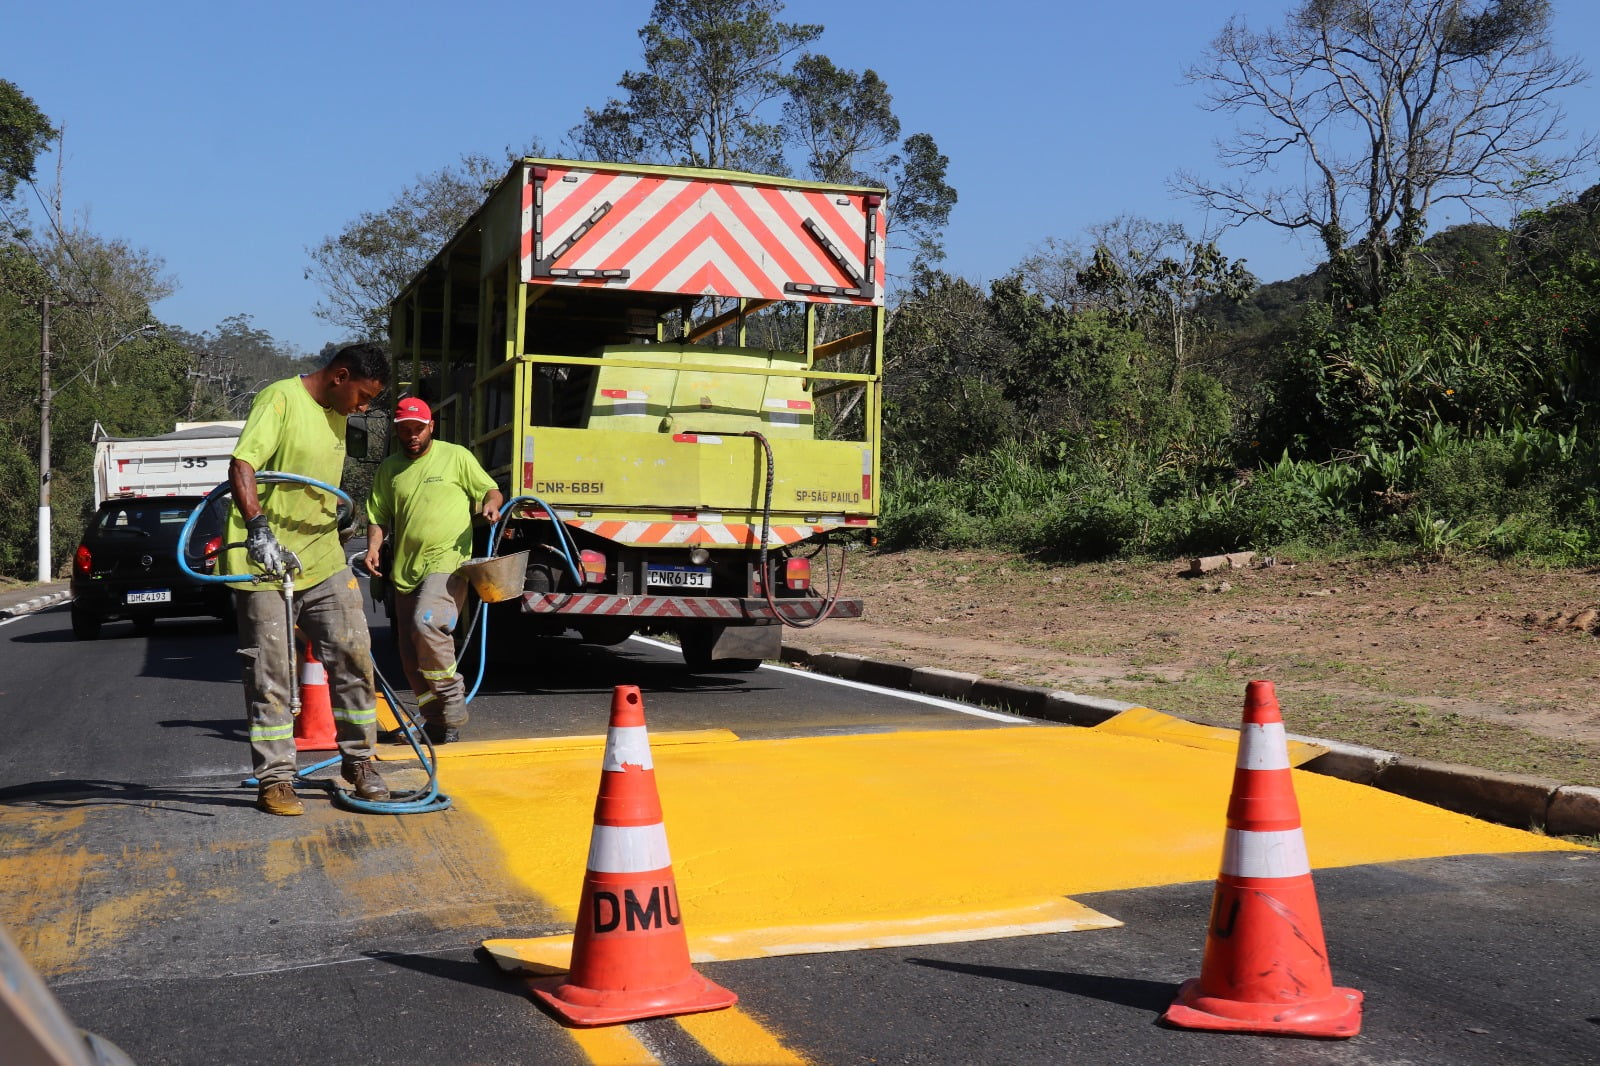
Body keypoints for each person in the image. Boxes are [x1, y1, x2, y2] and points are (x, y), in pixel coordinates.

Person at [228, 342, 392, 816]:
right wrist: (259, 530)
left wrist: (340, 514)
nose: (363, 407)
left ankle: (359, 762)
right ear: (340, 376)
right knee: (270, 673)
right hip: (266, 564)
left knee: (353, 653)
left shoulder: (339, 413)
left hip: (322, 559)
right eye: (362, 396)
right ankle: (276, 779)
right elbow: (243, 464)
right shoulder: (280, 399)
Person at [363, 397, 504, 745]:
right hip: (404, 568)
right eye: (405, 430)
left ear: (431, 427)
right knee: (409, 653)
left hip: (448, 561)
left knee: (427, 623)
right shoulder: (390, 469)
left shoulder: (456, 456)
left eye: (418, 429)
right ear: (397, 431)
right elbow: (377, 516)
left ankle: (452, 696)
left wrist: (490, 503)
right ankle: (436, 721)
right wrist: (372, 547)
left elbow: (491, 490)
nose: (412, 436)